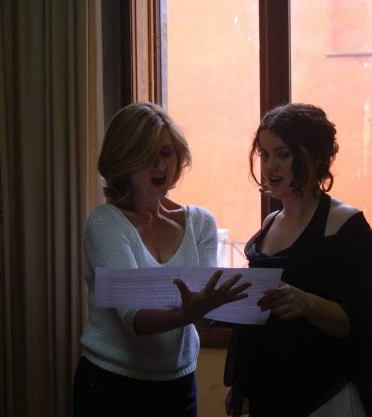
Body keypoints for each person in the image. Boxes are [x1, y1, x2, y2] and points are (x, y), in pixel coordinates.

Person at [73, 101, 250, 417]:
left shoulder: (201, 224)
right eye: (146, 156)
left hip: (178, 385)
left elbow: (204, 307)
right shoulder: (105, 223)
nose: (160, 166)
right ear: (123, 162)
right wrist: (187, 312)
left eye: (167, 153)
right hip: (111, 386)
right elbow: (135, 319)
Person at [224, 103, 372, 417]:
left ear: (316, 157)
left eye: (283, 154)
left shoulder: (348, 226)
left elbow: (357, 323)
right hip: (269, 393)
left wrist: (305, 302)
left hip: (327, 395)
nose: (270, 166)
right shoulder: (270, 223)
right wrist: (242, 382)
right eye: (265, 154)